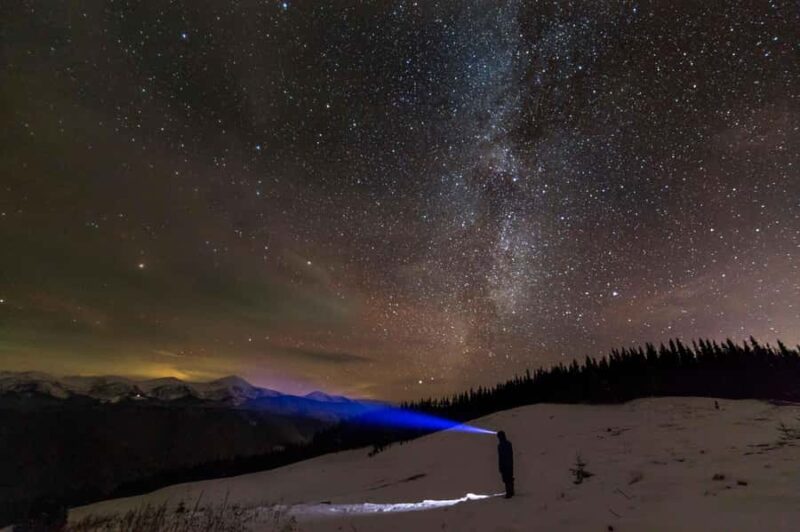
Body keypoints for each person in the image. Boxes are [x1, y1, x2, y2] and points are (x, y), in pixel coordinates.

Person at [497, 430, 514, 498]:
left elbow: (501, 457)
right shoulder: (508, 443)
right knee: (509, 478)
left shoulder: (500, 445)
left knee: (507, 479)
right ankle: (511, 491)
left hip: (505, 464)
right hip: (509, 464)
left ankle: (509, 493)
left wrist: (500, 466)